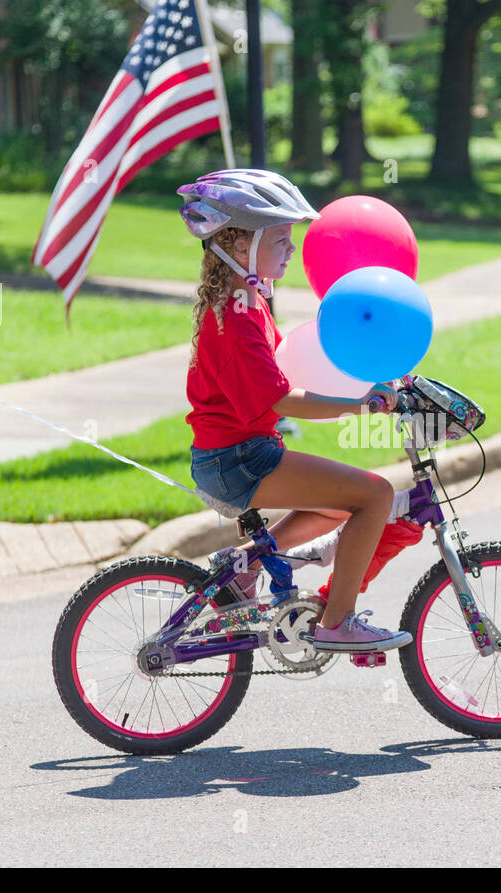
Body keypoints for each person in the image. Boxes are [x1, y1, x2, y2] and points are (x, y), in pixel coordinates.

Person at [179, 168, 416, 652]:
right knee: (374, 496)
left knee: (334, 505)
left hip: (242, 452)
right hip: (239, 460)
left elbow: (290, 370)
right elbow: (282, 399)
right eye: (281, 239)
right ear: (243, 246)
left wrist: (370, 380)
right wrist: (358, 407)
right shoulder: (238, 317)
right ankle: (337, 623)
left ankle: (241, 569)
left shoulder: (248, 301)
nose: (292, 249)